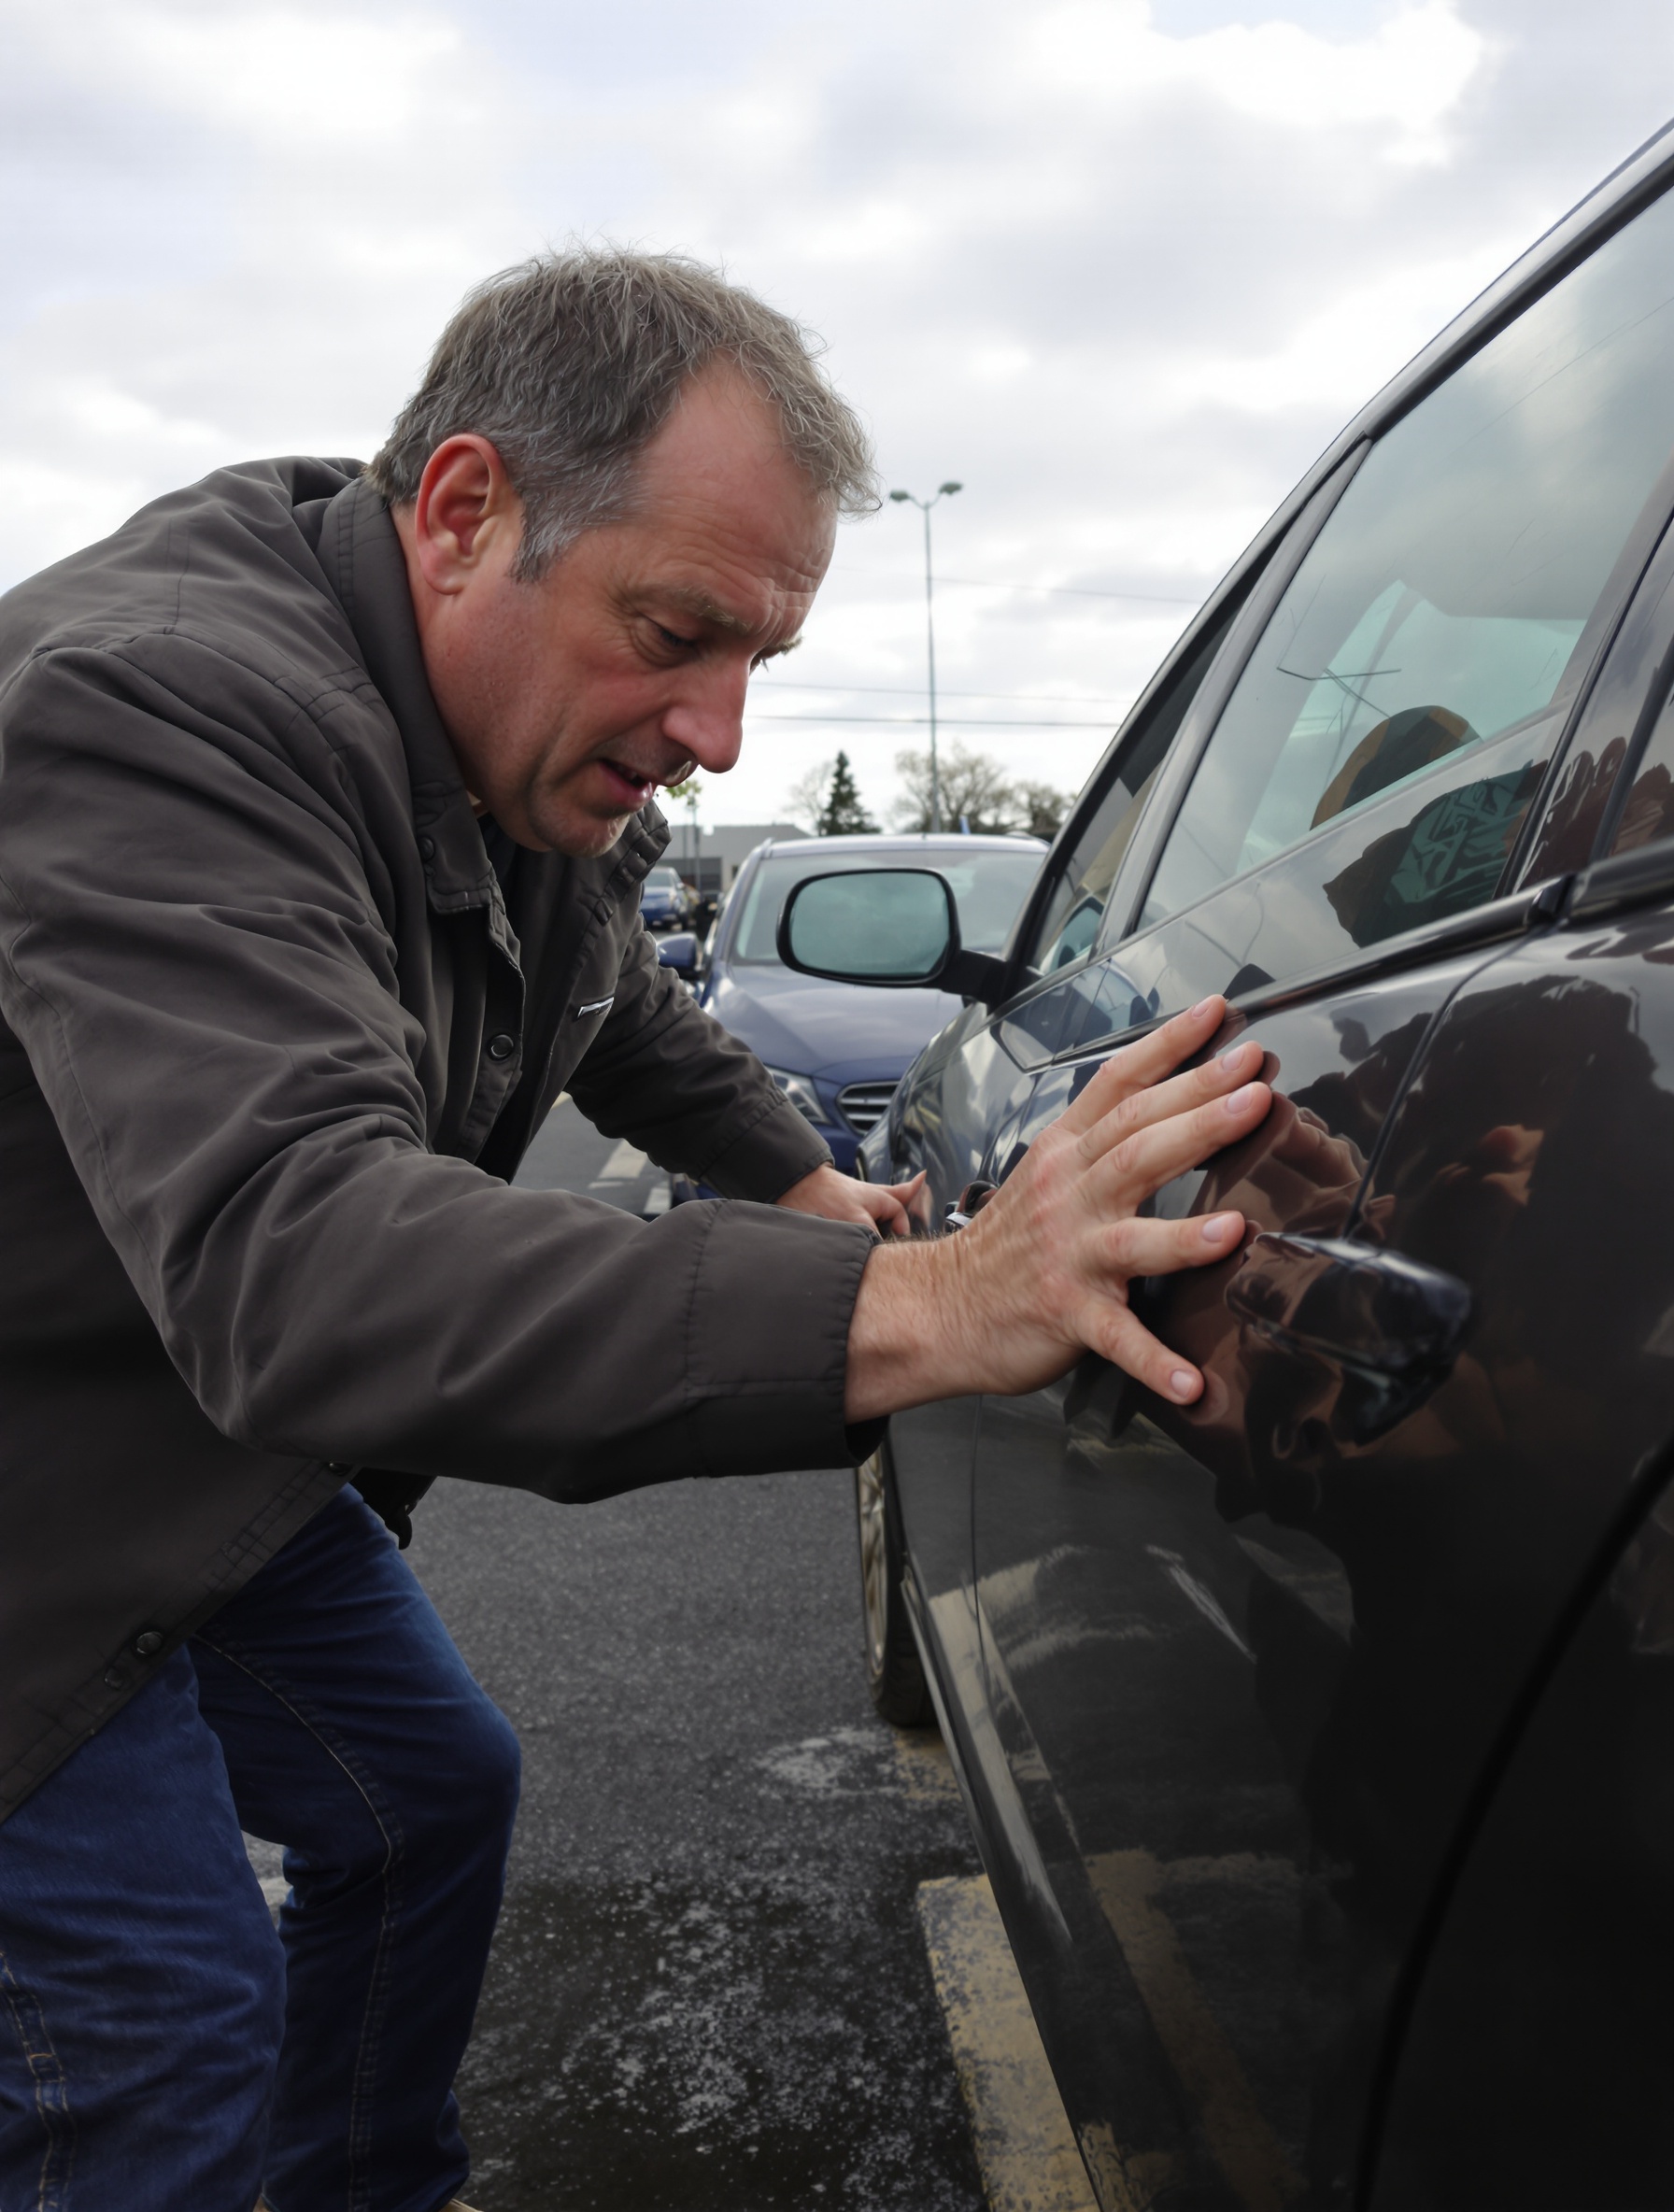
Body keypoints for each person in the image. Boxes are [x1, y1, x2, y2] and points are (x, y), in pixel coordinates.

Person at [0, 250, 1270, 2212]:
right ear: (463, 512)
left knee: (429, 1796)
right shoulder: (163, 709)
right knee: (159, 2033)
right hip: (38, 1483)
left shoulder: (501, 751)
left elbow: (619, 1007)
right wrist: (928, 1295)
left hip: (181, 1445)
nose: (723, 734)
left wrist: (803, 1182)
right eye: (679, 633)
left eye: (762, 657)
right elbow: (299, 1254)